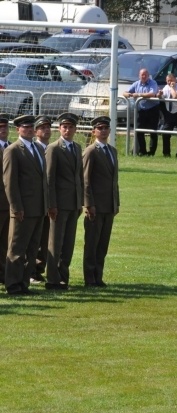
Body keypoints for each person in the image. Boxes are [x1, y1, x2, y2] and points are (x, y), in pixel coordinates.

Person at [3, 115, 47, 296]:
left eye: (31, 127)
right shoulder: (13, 150)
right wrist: (16, 207)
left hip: (38, 208)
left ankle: (23, 283)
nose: (29, 130)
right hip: (23, 209)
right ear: (18, 129)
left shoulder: (37, 148)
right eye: (25, 127)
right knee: (17, 248)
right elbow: (10, 182)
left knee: (31, 249)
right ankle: (12, 285)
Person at [44, 113, 83, 290]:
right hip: (59, 205)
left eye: (71, 127)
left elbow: (79, 178)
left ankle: (63, 277)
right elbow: (49, 179)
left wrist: (80, 202)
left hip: (73, 204)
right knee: (55, 243)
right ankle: (52, 279)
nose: (67, 130)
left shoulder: (77, 147)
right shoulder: (54, 148)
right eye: (64, 127)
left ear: (75, 129)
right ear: (59, 129)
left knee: (68, 244)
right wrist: (51, 204)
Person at [82, 116, 120, 288]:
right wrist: (89, 204)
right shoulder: (91, 151)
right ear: (93, 131)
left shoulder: (112, 151)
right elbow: (86, 180)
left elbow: (114, 180)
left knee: (103, 244)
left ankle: (98, 276)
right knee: (92, 243)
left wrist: (116, 203)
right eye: (100, 128)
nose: (103, 131)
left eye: (106, 128)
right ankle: (89, 278)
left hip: (109, 206)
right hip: (95, 206)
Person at [32, 115, 52, 284]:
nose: (46, 130)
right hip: (36, 201)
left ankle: (39, 269)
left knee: (46, 237)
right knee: (35, 238)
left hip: (50, 201)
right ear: (36, 131)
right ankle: (32, 271)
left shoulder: (52, 148)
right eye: (42, 127)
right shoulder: (34, 148)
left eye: (48, 127)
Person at [123, 68, 160, 156]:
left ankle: (151, 153)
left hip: (153, 109)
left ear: (148, 75)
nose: (143, 76)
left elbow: (152, 93)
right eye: (141, 75)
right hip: (141, 110)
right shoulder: (136, 84)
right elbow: (125, 92)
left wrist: (138, 95)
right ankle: (142, 151)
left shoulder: (153, 83)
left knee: (153, 131)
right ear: (139, 76)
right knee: (139, 130)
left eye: (145, 75)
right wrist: (128, 94)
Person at [158, 73, 177, 158]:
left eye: (171, 80)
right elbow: (161, 97)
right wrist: (159, 95)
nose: (169, 82)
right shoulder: (166, 87)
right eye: (167, 81)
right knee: (166, 133)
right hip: (169, 113)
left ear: (175, 80)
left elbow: (175, 96)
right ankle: (166, 154)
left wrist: (172, 87)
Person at [0, 114, 11, 286]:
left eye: (5, 127)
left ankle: (2, 274)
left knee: (5, 242)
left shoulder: (11, 147)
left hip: (10, 203)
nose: (3, 130)